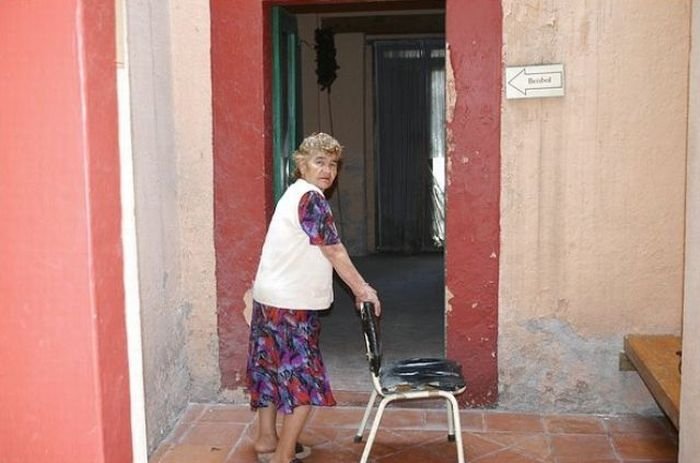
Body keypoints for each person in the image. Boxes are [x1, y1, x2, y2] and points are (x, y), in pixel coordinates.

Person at [246, 132, 382, 463]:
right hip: (292, 305)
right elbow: (333, 249)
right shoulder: (312, 199)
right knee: (301, 377)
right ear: (302, 164)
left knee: (269, 369)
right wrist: (362, 289)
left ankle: (266, 439)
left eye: (333, 164)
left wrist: (253, 291)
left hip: (270, 298)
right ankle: (282, 455)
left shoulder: (291, 195)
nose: (328, 170)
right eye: (320, 162)